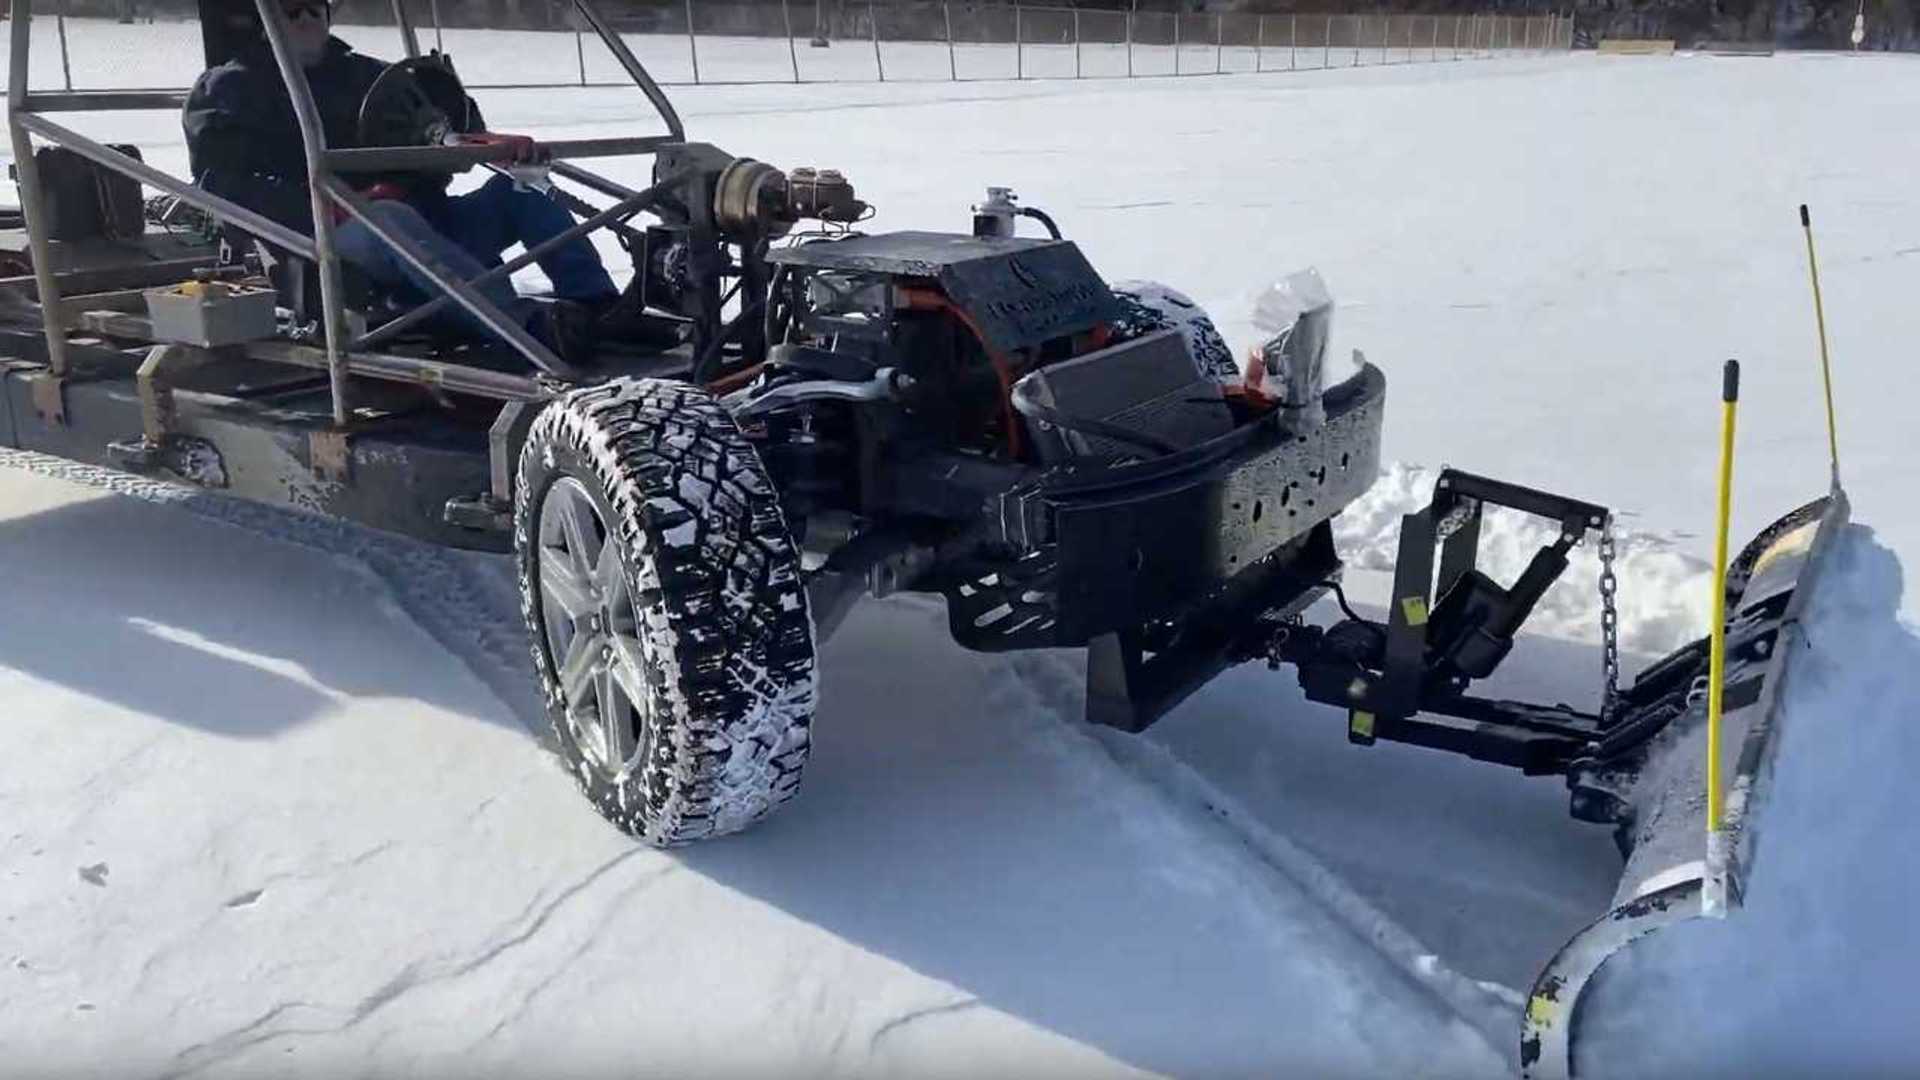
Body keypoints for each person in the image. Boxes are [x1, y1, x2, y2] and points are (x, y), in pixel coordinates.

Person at [181, 0, 622, 358]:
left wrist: (486, 141)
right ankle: (526, 325)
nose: (306, 19)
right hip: (326, 238)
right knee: (388, 218)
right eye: (292, 11)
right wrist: (332, 204)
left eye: (316, 8)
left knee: (521, 191)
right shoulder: (229, 88)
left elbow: (444, 121)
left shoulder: (365, 72)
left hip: (425, 220)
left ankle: (597, 306)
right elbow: (224, 185)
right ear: (267, 20)